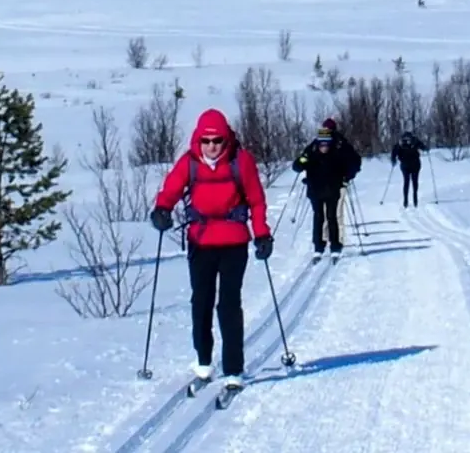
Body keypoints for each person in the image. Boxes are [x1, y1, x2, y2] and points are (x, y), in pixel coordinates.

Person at [149, 109, 272, 389]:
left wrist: (262, 234)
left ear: (226, 138)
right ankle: (203, 362)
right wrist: (162, 210)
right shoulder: (189, 163)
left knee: (229, 304)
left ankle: (233, 368)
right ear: (198, 140)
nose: (212, 146)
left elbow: (256, 201)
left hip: (234, 242)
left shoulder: (242, 162)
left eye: (217, 140)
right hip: (201, 242)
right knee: (200, 302)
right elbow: (170, 189)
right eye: (206, 141)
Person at [292, 120, 359, 258]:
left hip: (333, 189)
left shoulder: (339, 147)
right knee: (319, 217)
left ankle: (335, 245)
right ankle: (319, 245)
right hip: (316, 190)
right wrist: (302, 161)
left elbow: (350, 162)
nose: (324, 147)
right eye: (321, 144)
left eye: (326, 144)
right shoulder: (312, 150)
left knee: (332, 216)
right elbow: (298, 165)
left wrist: (347, 177)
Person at [390, 131, 429, 207]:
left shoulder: (402, 143)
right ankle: (412, 199)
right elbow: (423, 146)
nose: (407, 140)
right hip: (412, 164)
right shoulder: (412, 141)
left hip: (409, 165)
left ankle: (408, 200)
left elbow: (394, 152)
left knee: (408, 182)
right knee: (412, 182)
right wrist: (425, 148)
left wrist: (393, 160)